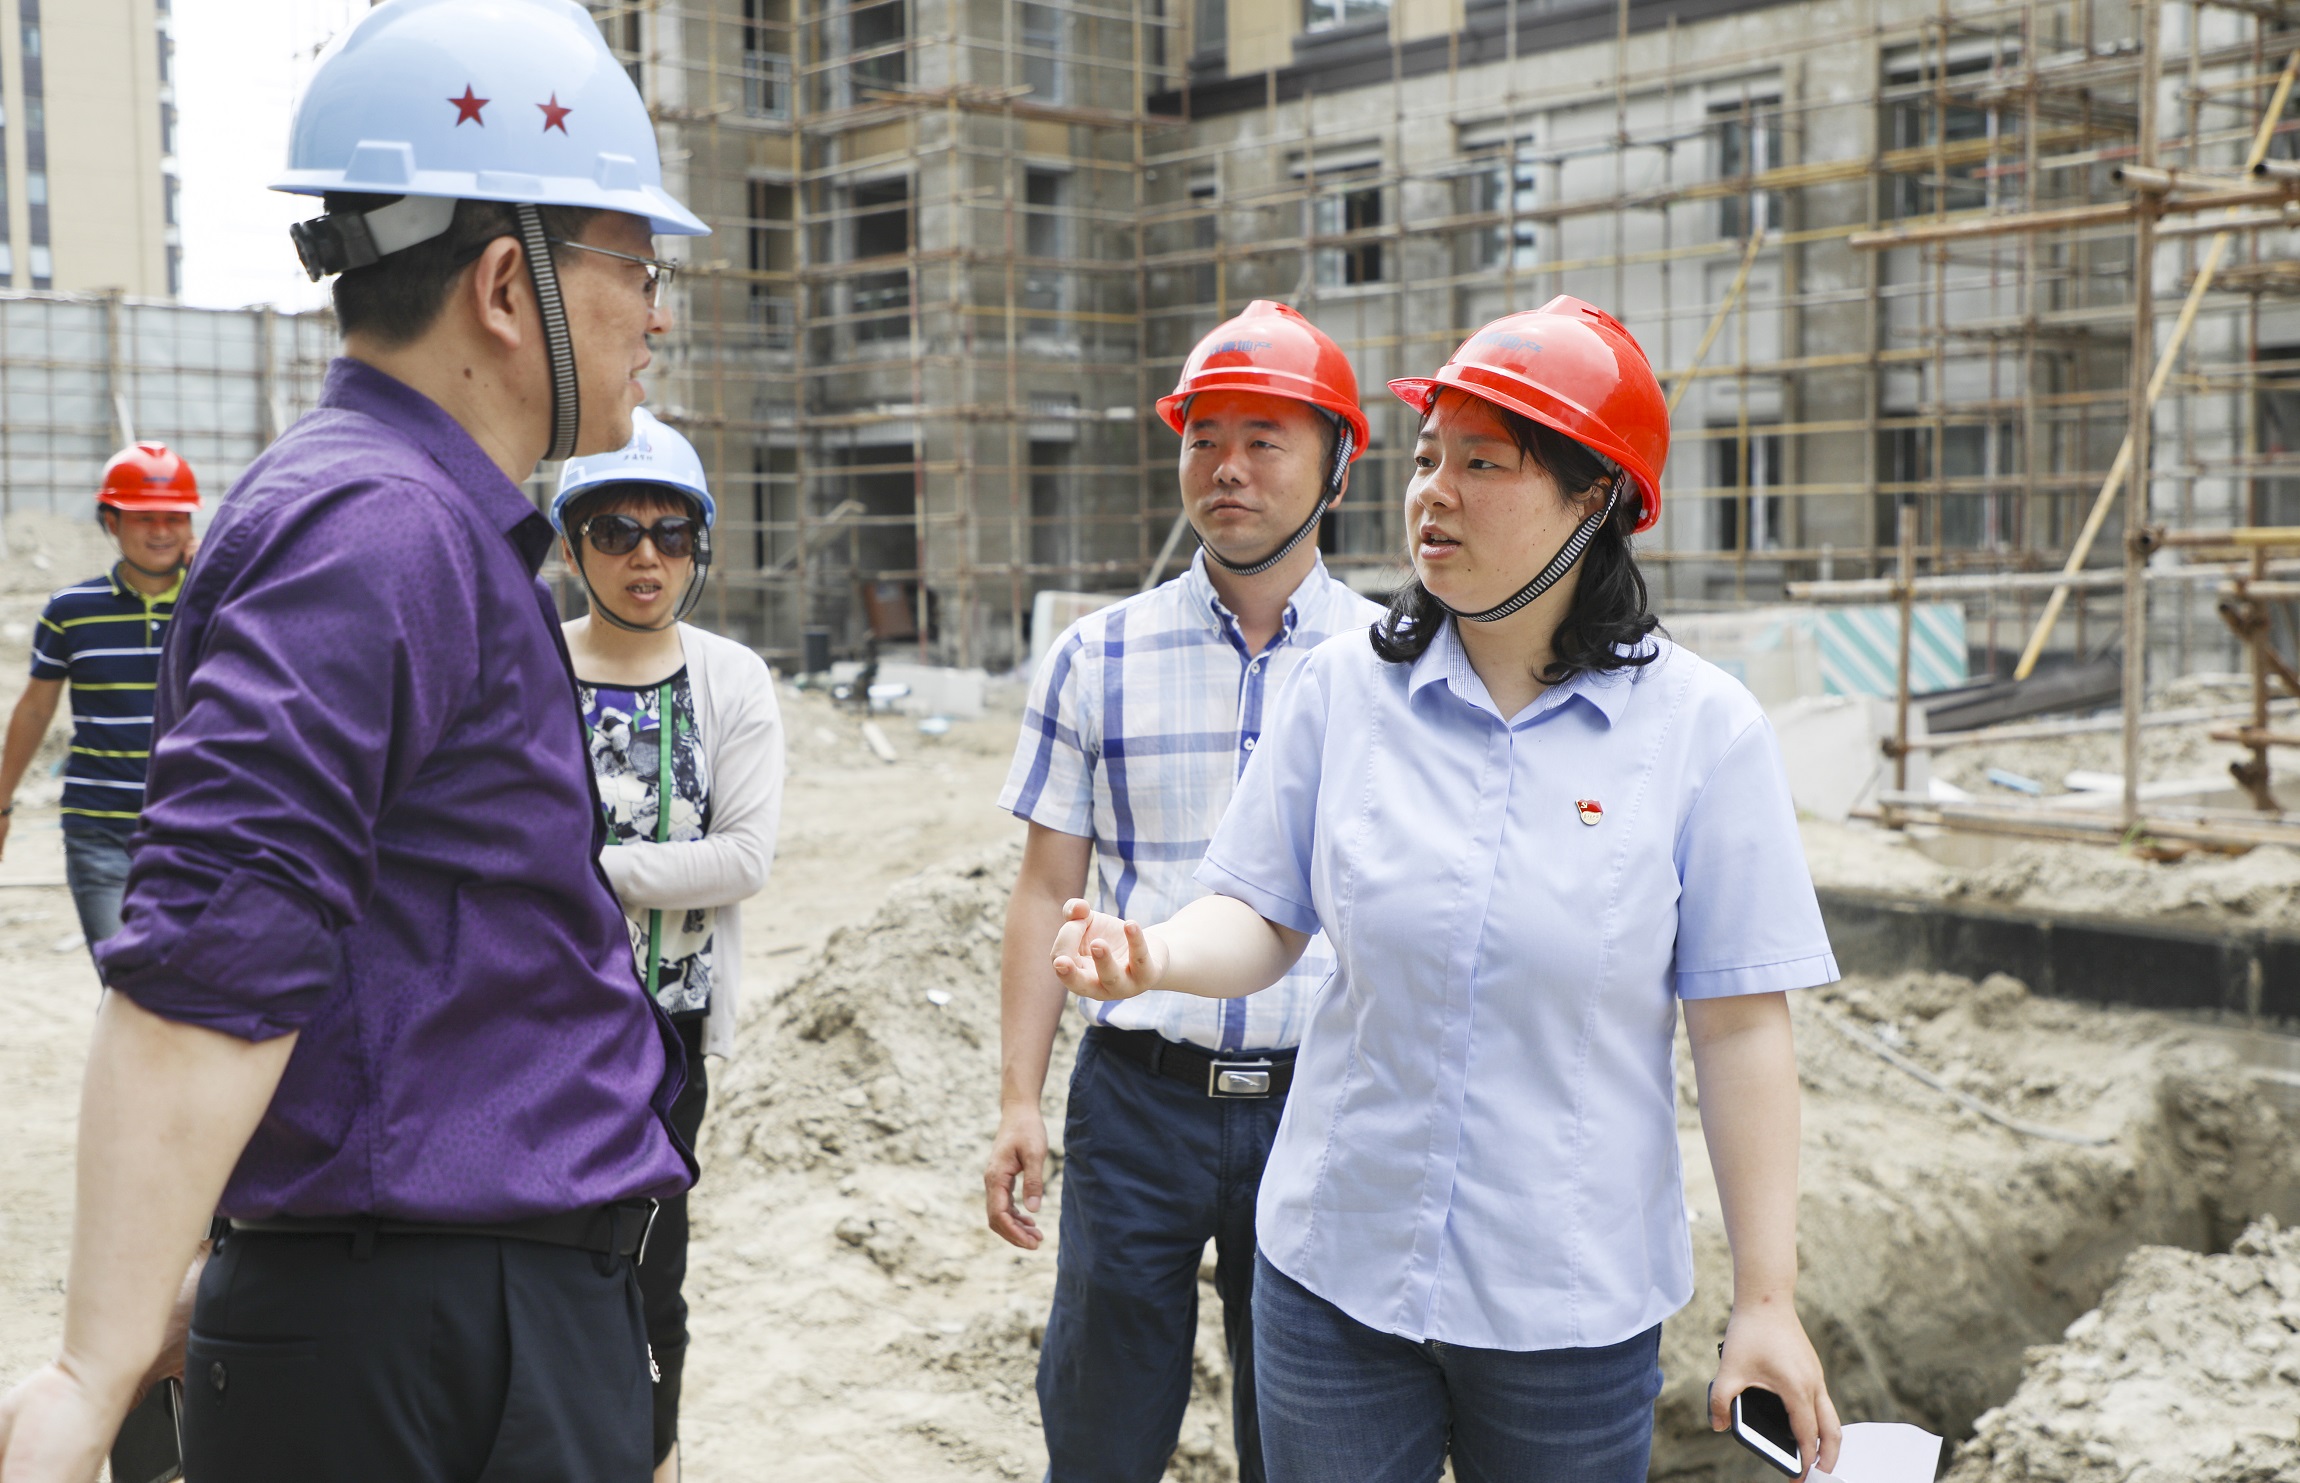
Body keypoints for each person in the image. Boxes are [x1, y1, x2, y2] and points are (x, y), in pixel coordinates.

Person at [0, 1, 713, 1478]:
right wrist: (92, 1369)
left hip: (435, 1307)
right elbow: (220, 945)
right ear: (508, 285)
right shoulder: (378, 531)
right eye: (637, 269)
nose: (655, 316)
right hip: (441, 1339)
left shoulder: (404, 516)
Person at [1046, 298, 1845, 1483]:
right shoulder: (1341, 693)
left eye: (1483, 463)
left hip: (1566, 1311)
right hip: (1335, 1278)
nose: (1434, 492)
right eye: (1427, 459)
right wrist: (1150, 954)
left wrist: (1764, 1300)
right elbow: (1260, 915)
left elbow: (1737, 1026)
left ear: (1595, 498)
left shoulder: (1699, 732)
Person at [987, 300, 1386, 1483]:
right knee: (1099, 1436)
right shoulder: (1096, 655)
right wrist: (1016, 1099)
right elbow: (1044, 888)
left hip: (1324, 1105)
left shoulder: (1395, 666)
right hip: (1136, 1103)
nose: (1226, 468)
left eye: (1264, 439)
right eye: (1203, 438)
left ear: (1337, 465)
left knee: (1309, 1448)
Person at [555, 408, 785, 1483]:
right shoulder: (529, 665)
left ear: (698, 550)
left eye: (670, 532)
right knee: (536, 1258)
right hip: (530, 1022)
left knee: (650, 1265)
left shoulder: (730, 679)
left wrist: (584, 868)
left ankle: (653, 1456)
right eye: (614, 530)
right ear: (572, 549)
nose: (644, 556)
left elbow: (742, 856)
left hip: (666, 1033)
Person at [0, 443, 199, 951]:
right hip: (100, 832)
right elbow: (36, 708)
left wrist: (215, 583)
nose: (161, 531)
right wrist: (2, 804)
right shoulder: (70, 611)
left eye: (174, 517)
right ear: (111, 522)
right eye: (144, 517)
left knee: (189, 979)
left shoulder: (217, 605)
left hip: (196, 830)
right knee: (122, 972)